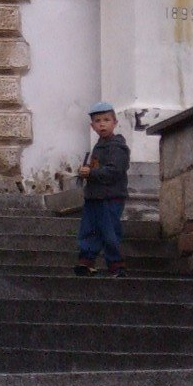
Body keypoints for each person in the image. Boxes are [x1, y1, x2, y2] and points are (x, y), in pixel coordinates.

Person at [75, 102, 130, 276]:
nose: (102, 124)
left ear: (115, 122)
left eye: (106, 120)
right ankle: (87, 261)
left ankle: (116, 265)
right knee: (89, 230)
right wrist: (86, 173)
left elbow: (114, 171)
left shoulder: (117, 146)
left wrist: (91, 172)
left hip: (110, 197)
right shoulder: (99, 146)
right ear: (92, 126)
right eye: (98, 121)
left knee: (109, 232)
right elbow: (97, 169)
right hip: (94, 197)